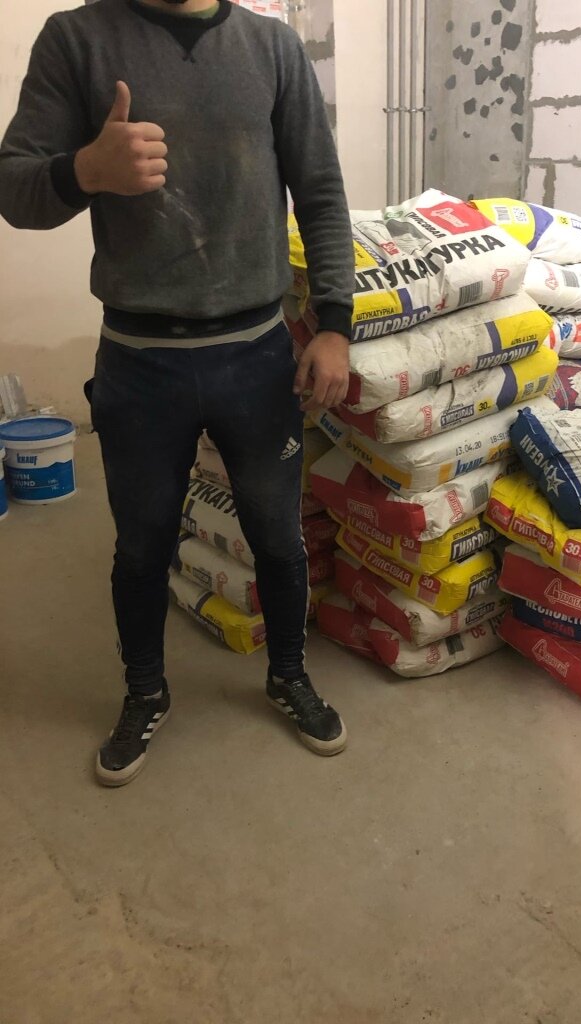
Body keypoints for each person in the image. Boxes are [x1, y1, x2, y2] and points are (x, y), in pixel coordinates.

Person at [0, 0, 355, 785]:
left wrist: (335, 323)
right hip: (139, 363)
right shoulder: (77, 40)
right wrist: (84, 172)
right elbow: (14, 188)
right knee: (142, 546)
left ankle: (288, 674)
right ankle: (145, 693)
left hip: (256, 356)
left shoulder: (273, 47)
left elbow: (321, 192)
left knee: (277, 536)